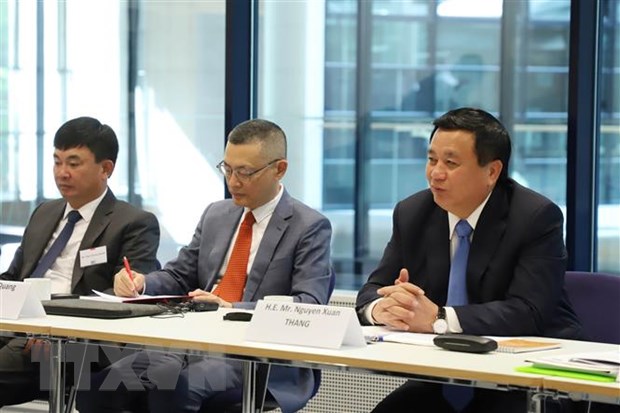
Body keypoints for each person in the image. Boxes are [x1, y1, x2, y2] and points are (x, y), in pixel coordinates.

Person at [77, 118, 333, 413]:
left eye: (245, 172)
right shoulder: (216, 214)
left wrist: (231, 308)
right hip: (190, 341)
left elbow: (308, 305)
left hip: (254, 355)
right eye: (227, 169)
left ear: (280, 169)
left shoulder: (309, 226)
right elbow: (179, 274)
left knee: (173, 388)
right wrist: (142, 283)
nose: (233, 182)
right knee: (98, 389)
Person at [356, 107, 583, 413]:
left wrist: (438, 318)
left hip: (528, 376)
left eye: (450, 163)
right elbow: (371, 292)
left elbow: (528, 311)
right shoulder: (413, 213)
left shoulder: (534, 217)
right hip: (446, 372)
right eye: (431, 159)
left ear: (492, 172)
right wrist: (384, 308)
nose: (436, 173)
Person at [0, 116, 161, 407]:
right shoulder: (45, 213)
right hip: (17, 325)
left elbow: (126, 299)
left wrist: (55, 327)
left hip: (75, 344)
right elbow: (13, 277)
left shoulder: (134, 223)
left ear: (105, 168)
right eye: (57, 162)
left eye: (73, 164)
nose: (62, 173)